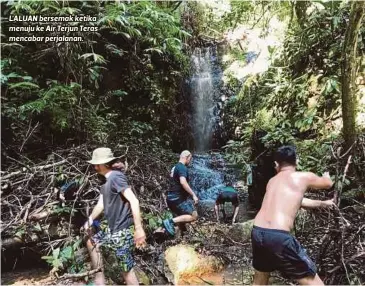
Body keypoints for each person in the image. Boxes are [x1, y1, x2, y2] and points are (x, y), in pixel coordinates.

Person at [251, 145, 335, 285]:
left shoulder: (272, 181)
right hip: (278, 236)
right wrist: (326, 175)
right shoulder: (303, 176)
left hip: (258, 232)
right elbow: (328, 184)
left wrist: (323, 203)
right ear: (296, 161)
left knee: (260, 279)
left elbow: (297, 201)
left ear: (276, 164)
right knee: (313, 281)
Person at [82, 147, 146, 285]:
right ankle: (99, 281)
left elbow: (134, 200)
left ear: (105, 164)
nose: (94, 166)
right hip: (112, 230)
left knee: (126, 271)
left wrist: (139, 229)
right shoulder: (105, 182)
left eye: (96, 164)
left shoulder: (116, 177)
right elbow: (101, 205)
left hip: (122, 231)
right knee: (91, 241)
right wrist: (90, 220)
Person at [162, 150, 199, 236]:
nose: (190, 161)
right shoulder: (182, 167)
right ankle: (169, 221)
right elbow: (183, 182)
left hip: (170, 198)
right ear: (187, 157)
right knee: (194, 215)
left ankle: (179, 238)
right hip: (177, 199)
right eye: (190, 159)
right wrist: (193, 195)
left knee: (181, 218)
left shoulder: (174, 167)